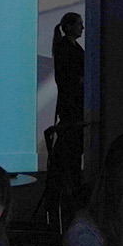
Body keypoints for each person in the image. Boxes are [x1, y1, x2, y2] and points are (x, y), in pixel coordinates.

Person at [51, 12, 85, 161]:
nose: (82, 28)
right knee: (70, 144)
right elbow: (70, 77)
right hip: (72, 103)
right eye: (79, 24)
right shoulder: (66, 48)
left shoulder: (70, 46)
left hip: (72, 103)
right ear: (69, 26)